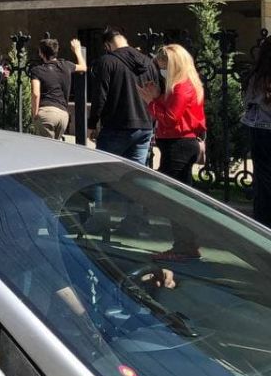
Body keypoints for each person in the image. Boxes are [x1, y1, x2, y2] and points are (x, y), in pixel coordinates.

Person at [141, 43, 207, 259]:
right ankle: (187, 243)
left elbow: (170, 118)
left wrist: (151, 101)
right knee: (180, 196)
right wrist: (157, 97)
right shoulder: (186, 85)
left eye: (163, 67)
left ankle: (183, 246)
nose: (162, 71)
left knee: (174, 198)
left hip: (178, 144)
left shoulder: (181, 87)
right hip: (180, 143)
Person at [88, 26, 160, 164]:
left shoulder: (107, 61)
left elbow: (100, 96)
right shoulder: (148, 62)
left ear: (107, 45)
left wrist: (92, 124)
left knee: (105, 170)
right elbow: (156, 94)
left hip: (116, 125)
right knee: (135, 172)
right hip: (145, 125)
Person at [29, 38, 87, 140]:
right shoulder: (66, 65)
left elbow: (35, 93)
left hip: (46, 112)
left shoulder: (37, 70)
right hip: (63, 114)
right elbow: (83, 67)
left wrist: (35, 114)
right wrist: (77, 51)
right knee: (55, 146)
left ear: (41, 53)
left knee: (45, 147)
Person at [243, 39, 271, 228]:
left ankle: (263, 223)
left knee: (263, 179)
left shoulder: (257, 77)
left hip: (260, 129)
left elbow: (248, 102)